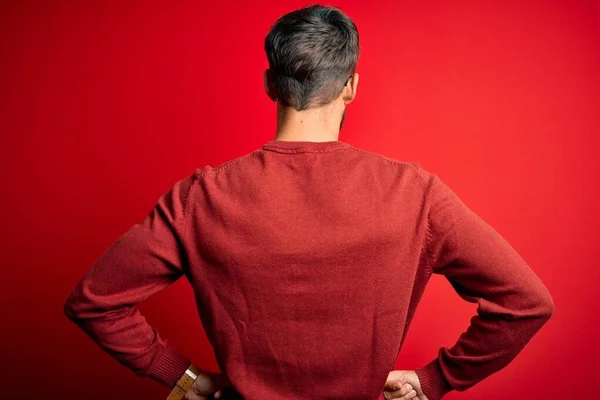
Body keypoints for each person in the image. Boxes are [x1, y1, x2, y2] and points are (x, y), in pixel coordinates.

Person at [63, 4, 555, 400]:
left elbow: (93, 303)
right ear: (351, 86)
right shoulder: (415, 193)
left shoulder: (200, 197)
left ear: (269, 84)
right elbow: (526, 303)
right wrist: (436, 380)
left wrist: (184, 377)